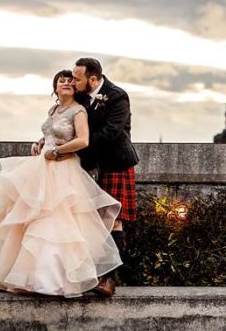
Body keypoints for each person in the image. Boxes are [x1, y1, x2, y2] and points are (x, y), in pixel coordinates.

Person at [0, 70, 122, 298]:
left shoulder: (78, 110)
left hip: (64, 169)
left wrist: (56, 150)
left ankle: (56, 280)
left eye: (69, 80)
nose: (65, 82)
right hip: (43, 167)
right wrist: (41, 144)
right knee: (35, 218)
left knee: (59, 219)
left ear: (75, 88)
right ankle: (31, 278)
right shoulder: (53, 110)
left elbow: (82, 140)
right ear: (54, 88)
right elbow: (52, 133)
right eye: (60, 81)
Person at [72, 57, 139, 294]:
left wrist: (77, 147)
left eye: (77, 78)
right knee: (88, 220)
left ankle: (109, 279)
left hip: (114, 164)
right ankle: (88, 275)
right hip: (88, 164)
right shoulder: (78, 96)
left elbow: (111, 132)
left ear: (93, 79)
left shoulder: (118, 96)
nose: (73, 81)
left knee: (113, 221)